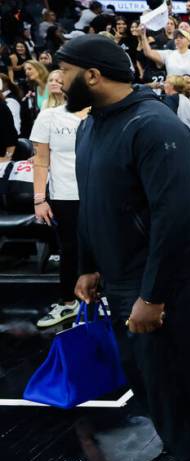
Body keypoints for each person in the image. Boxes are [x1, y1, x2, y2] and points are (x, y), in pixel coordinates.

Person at [60, 35, 190, 461]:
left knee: (171, 377)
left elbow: (174, 221)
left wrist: (151, 295)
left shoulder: (154, 125)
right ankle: (177, 451)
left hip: (156, 284)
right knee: (144, 380)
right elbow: (94, 202)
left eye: (65, 70)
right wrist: (88, 265)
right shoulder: (93, 125)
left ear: (91, 74)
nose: (59, 80)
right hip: (117, 277)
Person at [31, 69, 87, 329]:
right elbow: (41, 161)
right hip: (64, 195)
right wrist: (39, 199)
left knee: (105, 248)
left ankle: (99, 302)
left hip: (100, 194)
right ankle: (67, 303)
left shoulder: (101, 115)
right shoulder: (49, 116)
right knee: (70, 250)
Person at [138, 27, 190, 97]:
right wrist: (143, 36)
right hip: (173, 95)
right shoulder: (168, 54)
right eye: (176, 38)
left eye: (181, 37)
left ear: (189, 41)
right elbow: (148, 53)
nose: (178, 39)